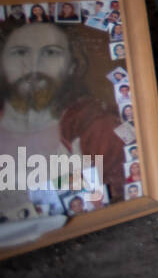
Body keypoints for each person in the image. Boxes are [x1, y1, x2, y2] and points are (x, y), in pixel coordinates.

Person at [0, 22, 127, 213]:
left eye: (50, 53)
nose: (33, 65)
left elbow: (126, 207)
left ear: (71, 66)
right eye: (20, 52)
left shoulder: (97, 128)